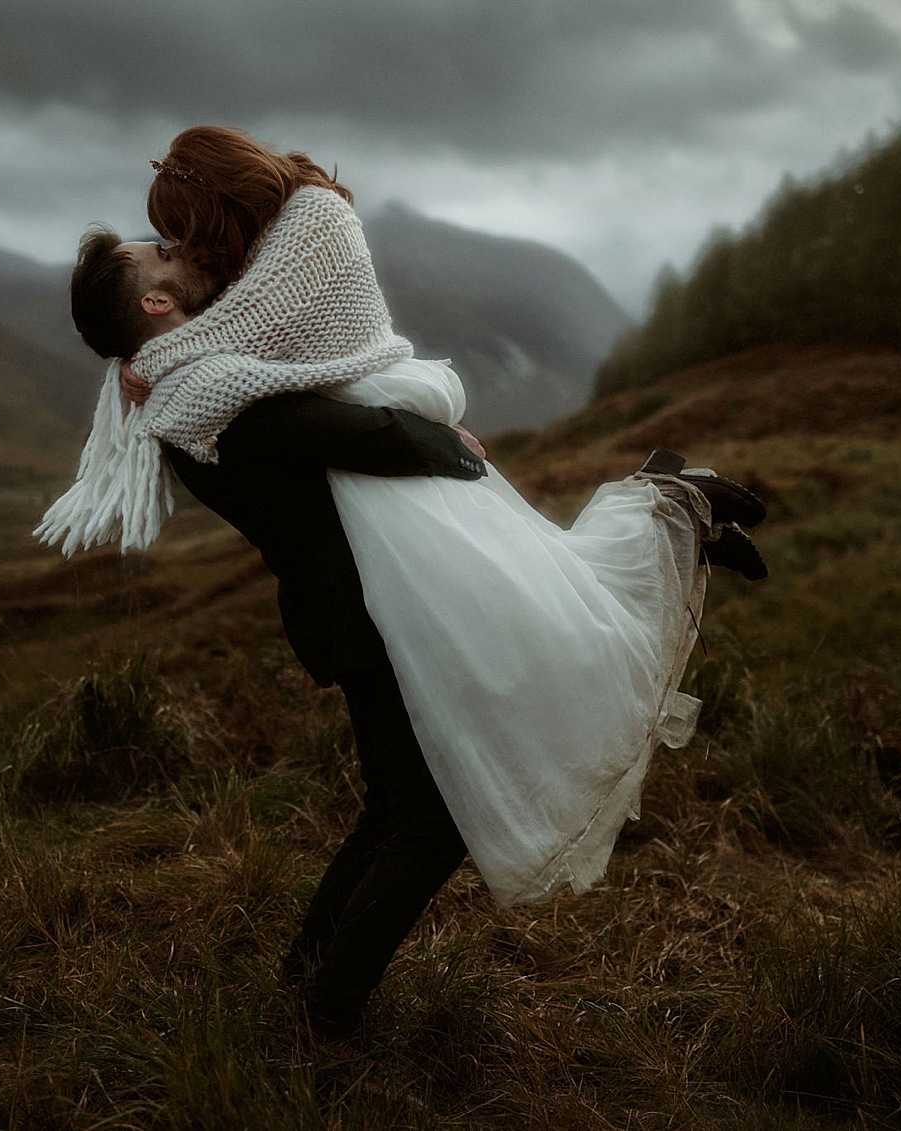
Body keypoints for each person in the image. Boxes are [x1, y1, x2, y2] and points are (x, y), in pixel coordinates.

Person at [40, 127, 766, 1039]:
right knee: (430, 822)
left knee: (400, 807)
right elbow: (350, 434)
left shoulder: (197, 381)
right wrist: (441, 443)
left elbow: (319, 396)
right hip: (377, 615)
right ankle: (327, 1014)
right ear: (155, 301)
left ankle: (306, 989)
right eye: (165, 254)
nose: (184, 254)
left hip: (369, 610)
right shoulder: (199, 393)